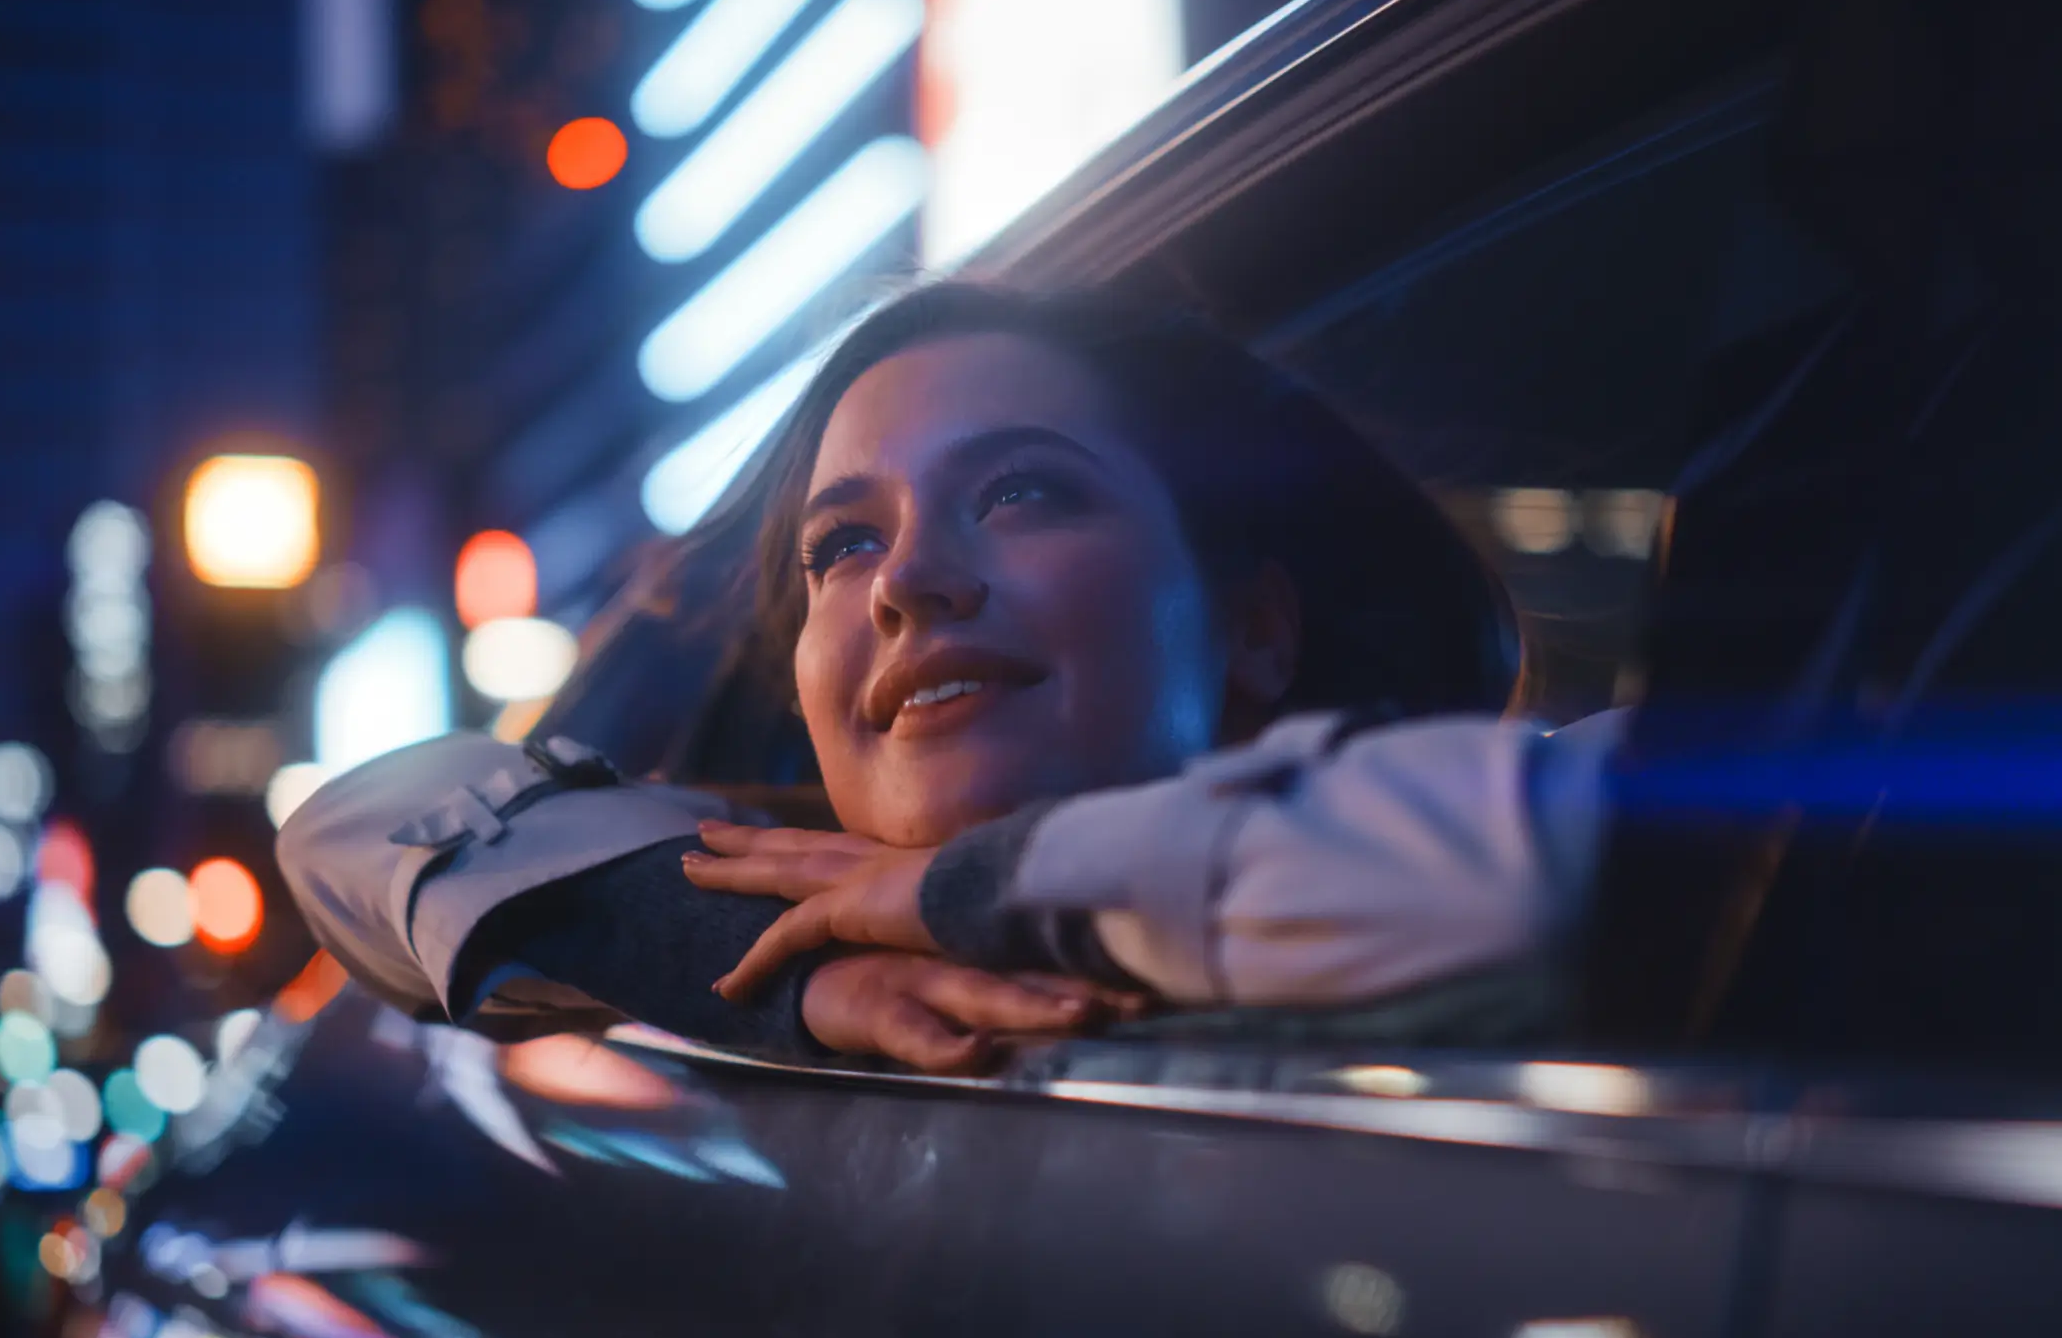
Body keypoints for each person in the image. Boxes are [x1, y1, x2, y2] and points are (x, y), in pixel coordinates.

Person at [278, 282, 1619, 1073]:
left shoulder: (1507, 820)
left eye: (1026, 492)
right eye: (842, 542)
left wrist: (982, 893)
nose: (908, 581)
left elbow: (1608, 844)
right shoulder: (788, 897)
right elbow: (348, 827)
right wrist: (742, 960)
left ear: (1255, 629)